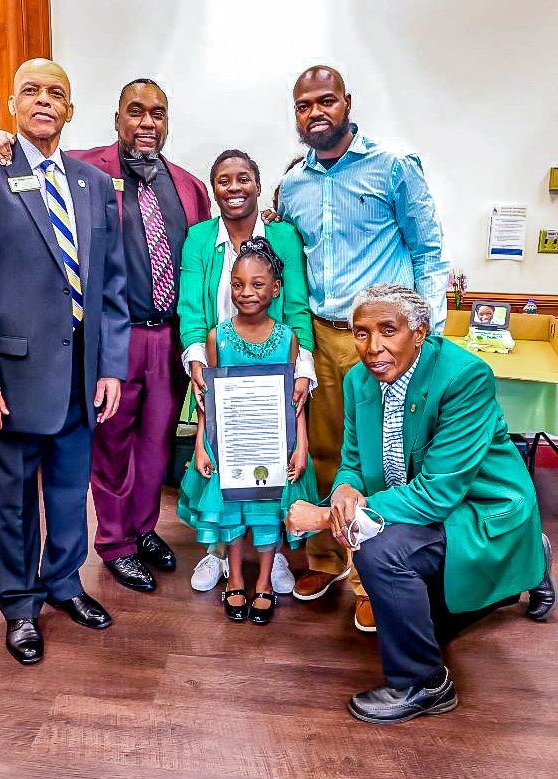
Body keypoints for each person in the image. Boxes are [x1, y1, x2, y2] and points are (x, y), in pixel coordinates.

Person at [0, 78, 211, 594]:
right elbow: (23, 158)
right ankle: (116, 543)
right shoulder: (87, 170)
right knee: (110, 446)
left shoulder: (190, 187)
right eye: (136, 111)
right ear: (115, 117)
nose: (147, 123)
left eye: (158, 114)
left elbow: (202, 265)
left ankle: (143, 529)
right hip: (110, 337)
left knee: (155, 446)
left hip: (168, 337)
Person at [286, 283, 551, 724]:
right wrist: (344, 492)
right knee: (425, 617)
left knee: (380, 552)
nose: (373, 348)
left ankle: (424, 684)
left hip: (480, 509)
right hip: (416, 508)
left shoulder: (464, 377)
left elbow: (438, 494)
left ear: (421, 331)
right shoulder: (357, 381)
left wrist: (323, 516)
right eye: (361, 332)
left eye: (388, 330)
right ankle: (532, 559)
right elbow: (351, 462)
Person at [0, 59, 130, 665]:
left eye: (57, 93)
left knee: (72, 491)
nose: (44, 101)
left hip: (79, 378)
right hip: (12, 380)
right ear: (13, 103)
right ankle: (20, 605)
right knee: (14, 499)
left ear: (69, 110)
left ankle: (65, 583)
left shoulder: (93, 185)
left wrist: (109, 366)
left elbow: (110, 286)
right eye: (31, 91)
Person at [269, 65, 448, 630]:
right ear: (295, 114)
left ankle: (378, 574)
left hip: (384, 337)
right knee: (324, 450)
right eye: (304, 105)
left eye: (326, 100)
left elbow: (430, 251)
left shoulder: (393, 166)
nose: (315, 112)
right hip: (319, 333)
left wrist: (428, 335)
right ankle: (327, 560)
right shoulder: (293, 181)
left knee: (387, 461)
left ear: (347, 102)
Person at [178, 149, 316, 593]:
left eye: (243, 179)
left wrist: (302, 371)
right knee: (219, 464)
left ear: (258, 184)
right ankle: (216, 553)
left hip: (273, 368)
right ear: (212, 188)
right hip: (219, 363)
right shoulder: (198, 239)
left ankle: (268, 557)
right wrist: (198, 360)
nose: (234, 188)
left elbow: (295, 309)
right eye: (223, 180)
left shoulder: (284, 236)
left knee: (270, 463)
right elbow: (191, 312)